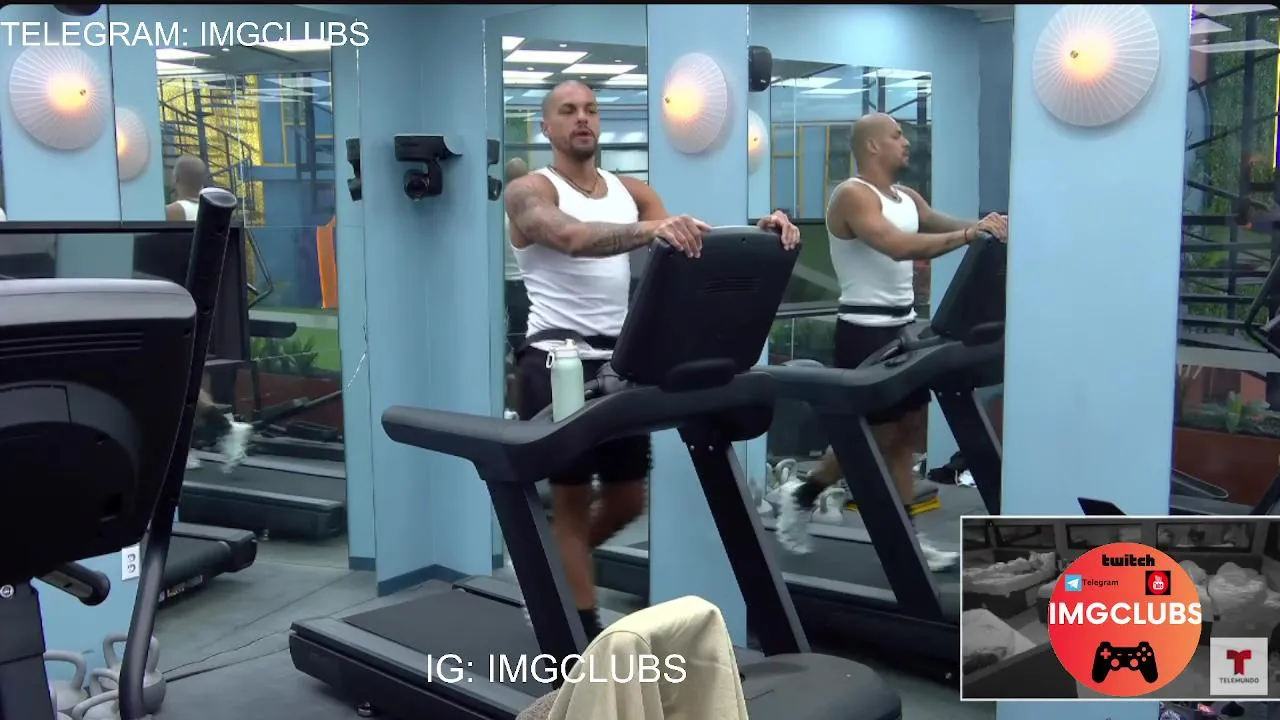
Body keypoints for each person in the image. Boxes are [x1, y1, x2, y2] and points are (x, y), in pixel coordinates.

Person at [504, 80, 800, 640]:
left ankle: (548, 569)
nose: (583, 118)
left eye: (591, 109)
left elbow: (691, 245)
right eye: (568, 111)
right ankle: (579, 645)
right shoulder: (529, 190)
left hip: (621, 364)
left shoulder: (633, 191)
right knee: (570, 506)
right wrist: (651, 229)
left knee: (626, 500)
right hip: (555, 360)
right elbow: (569, 236)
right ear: (546, 127)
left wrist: (761, 230)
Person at [775, 112, 1008, 569]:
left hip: (906, 329)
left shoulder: (907, 197)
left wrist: (994, 225)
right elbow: (897, 245)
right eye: (897, 135)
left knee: (906, 435)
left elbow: (945, 223)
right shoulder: (851, 196)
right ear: (872, 146)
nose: (906, 142)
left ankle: (910, 539)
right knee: (875, 434)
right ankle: (803, 493)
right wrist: (969, 234)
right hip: (865, 330)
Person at [166, 154, 253, 472]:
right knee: (195, 376)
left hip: (177, 301)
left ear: (175, 179)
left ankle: (210, 435)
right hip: (210, 305)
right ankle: (210, 435)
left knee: (179, 376)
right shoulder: (216, 214)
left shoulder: (173, 213)